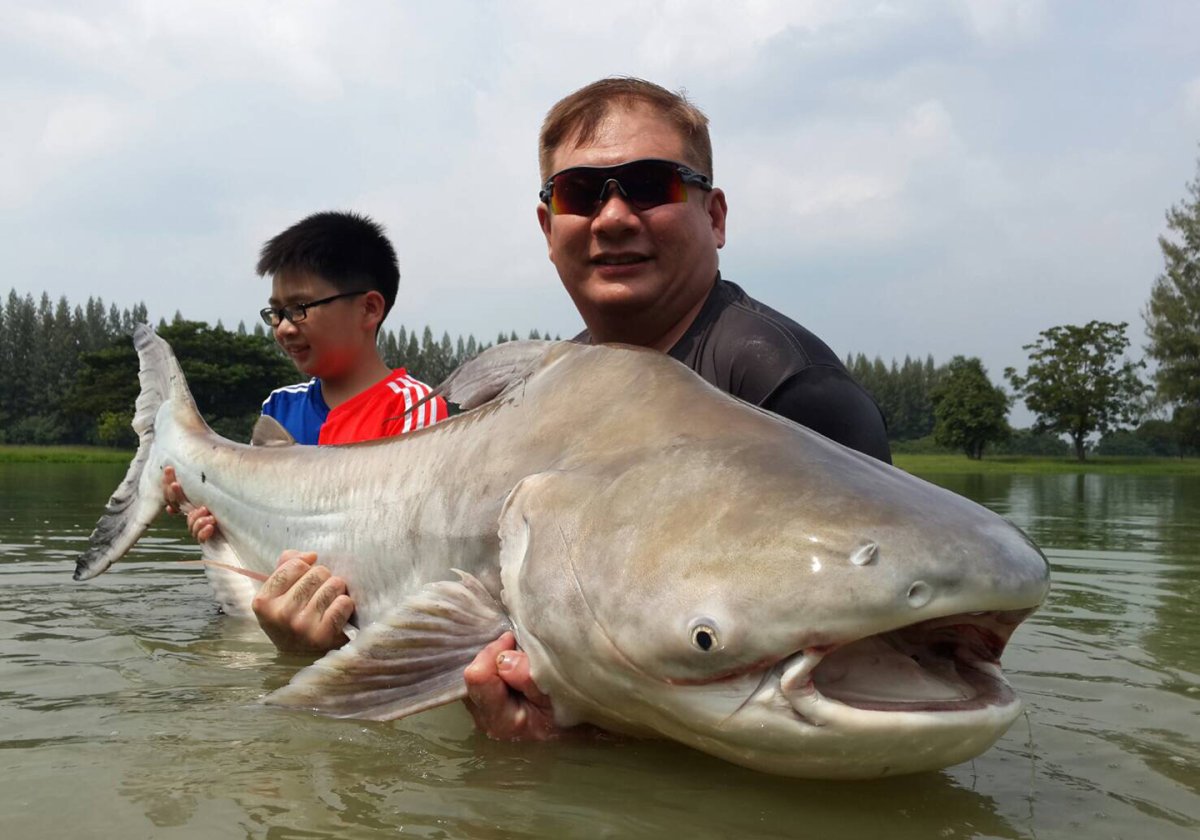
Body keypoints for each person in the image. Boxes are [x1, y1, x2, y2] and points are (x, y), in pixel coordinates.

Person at [462, 76, 891, 739]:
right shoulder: (547, 386)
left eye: (651, 186)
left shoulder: (788, 391)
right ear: (550, 229)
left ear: (715, 217)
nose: (612, 219)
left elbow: (862, 660)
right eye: (579, 194)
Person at [163, 211, 448, 652]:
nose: (283, 328)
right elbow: (256, 524)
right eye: (274, 313)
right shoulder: (280, 407)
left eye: (298, 309)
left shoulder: (415, 411)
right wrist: (211, 519)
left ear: (369, 308)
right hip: (273, 614)